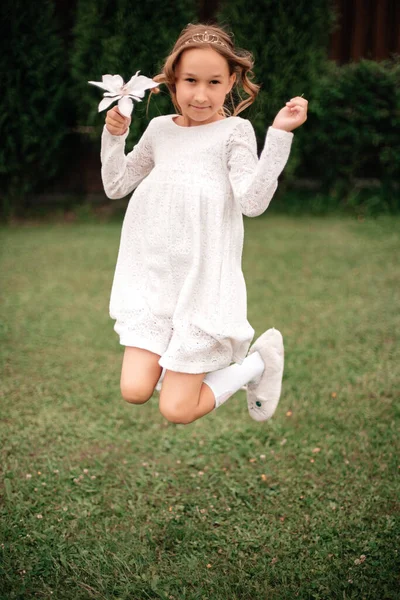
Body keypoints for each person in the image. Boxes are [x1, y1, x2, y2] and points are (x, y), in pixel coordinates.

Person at [100, 23, 307, 425]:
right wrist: (114, 138)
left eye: (214, 82)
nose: (200, 94)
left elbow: (252, 202)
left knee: (176, 410)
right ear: (173, 80)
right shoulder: (160, 131)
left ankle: (256, 365)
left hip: (202, 289)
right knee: (134, 390)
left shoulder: (235, 132)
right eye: (190, 80)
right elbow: (115, 184)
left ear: (232, 81)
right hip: (153, 283)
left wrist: (279, 135)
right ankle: (185, 364)